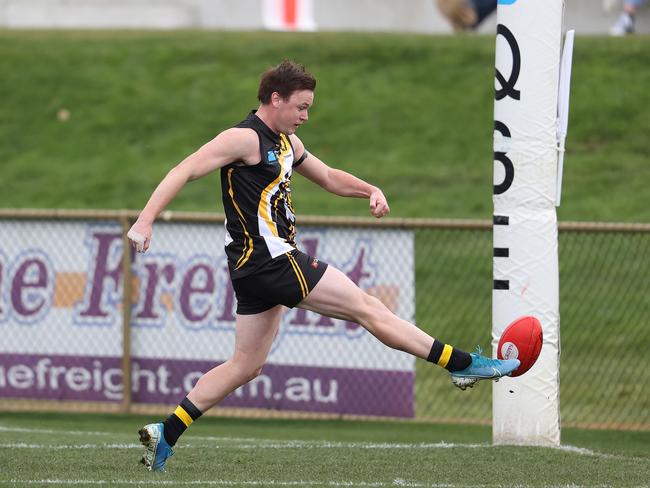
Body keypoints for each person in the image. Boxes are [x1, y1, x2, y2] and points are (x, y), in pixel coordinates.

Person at [127, 60, 520, 472]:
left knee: (246, 365)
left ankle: (165, 434)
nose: (305, 116)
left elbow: (329, 177)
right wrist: (146, 218)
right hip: (272, 260)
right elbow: (185, 168)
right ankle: (461, 365)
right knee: (367, 308)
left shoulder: (286, 143)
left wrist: (370, 189)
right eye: (300, 106)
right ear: (275, 99)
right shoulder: (243, 138)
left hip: (251, 269)